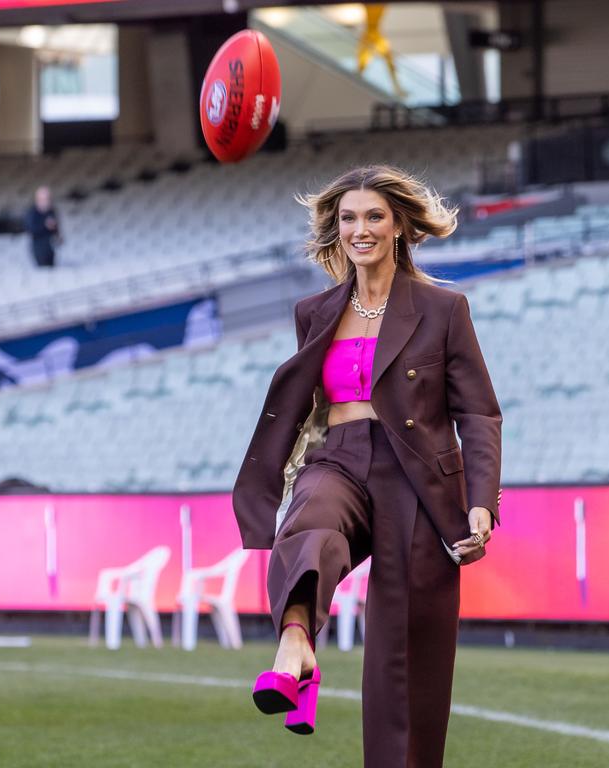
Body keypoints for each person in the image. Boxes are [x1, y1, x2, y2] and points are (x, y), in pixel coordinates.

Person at [232, 165, 502, 767]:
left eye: (374, 216)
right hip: (340, 457)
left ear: (401, 225)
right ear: (336, 229)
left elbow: (479, 414)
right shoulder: (315, 311)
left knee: (404, 658)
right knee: (309, 527)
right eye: (349, 217)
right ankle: (294, 648)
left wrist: (481, 502)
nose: (361, 229)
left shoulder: (444, 308)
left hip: (420, 481)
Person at [24, 186, 61, 268]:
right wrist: (45, 226)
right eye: (43, 199)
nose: (46, 201)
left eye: (48, 199)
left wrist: (57, 234)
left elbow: (56, 228)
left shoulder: (51, 211)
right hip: (39, 247)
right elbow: (31, 230)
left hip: (51, 246)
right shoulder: (32, 213)